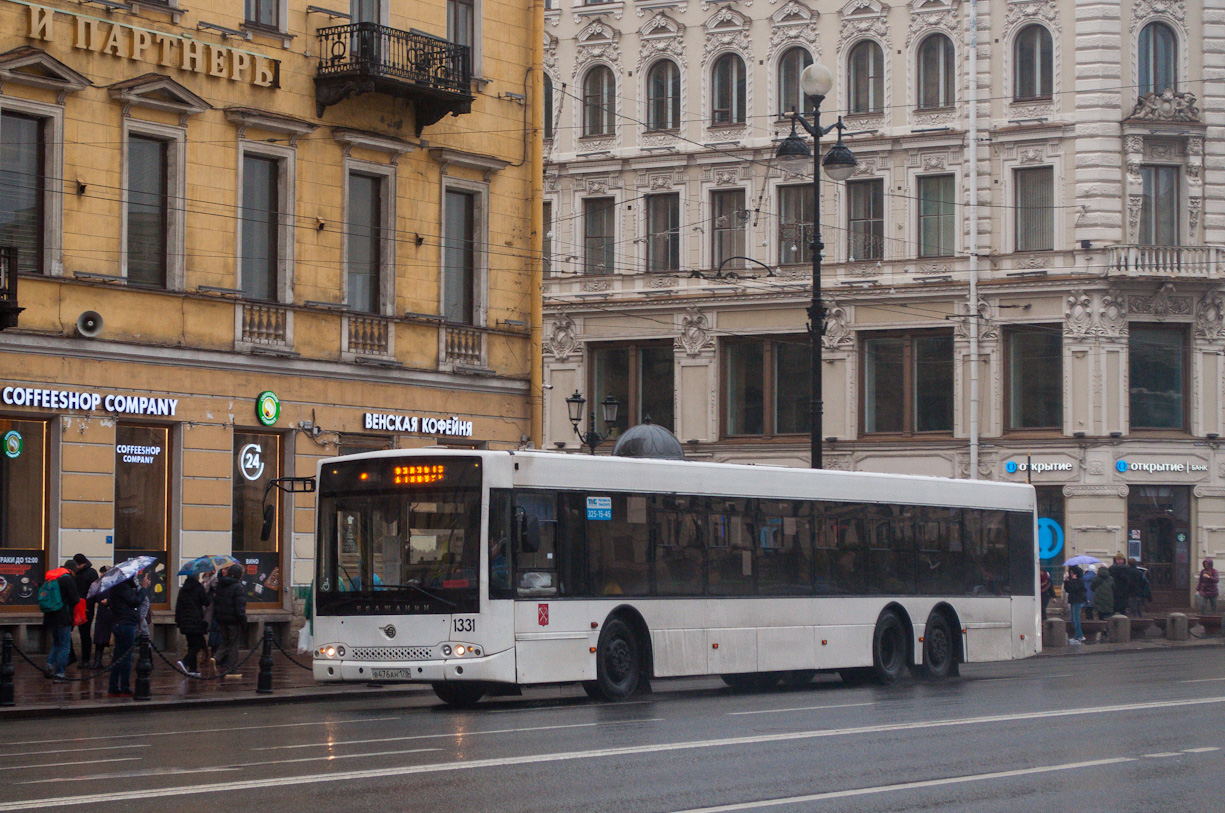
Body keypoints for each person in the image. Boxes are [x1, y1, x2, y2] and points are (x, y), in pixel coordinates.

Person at [40, 560, 80, 681]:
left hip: (50, 616)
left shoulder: (51, 577)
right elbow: (74, 599)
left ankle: (49, 665)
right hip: (63, 617)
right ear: (72, 570)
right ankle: (59, 673)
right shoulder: (67, 579)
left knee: (56, 644)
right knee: (64, 646)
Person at [107, 574, 145, 698]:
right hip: (125, 624)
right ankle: (124, 687)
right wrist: (143, 589)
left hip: (118, 623)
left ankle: (113, 687)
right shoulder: (122, 587)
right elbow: (135, 602)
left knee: (118, 656)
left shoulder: (117, 586)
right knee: (126, 657)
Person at [212, 564, 247, 676]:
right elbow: (240, 608)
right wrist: (243, 622)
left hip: (222, 620)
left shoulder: (221, 585)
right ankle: (231, 669)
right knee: (233, 645)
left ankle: (215, 658)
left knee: (226, 641)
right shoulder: (238, 587)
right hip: (234, 621)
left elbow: (217, 603)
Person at [174, 573, 211, 677]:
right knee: (198, 644)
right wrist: (208, 592)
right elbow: (206, 602)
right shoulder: (199, 588)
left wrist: (178, 621)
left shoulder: (183, 589)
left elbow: (178, 606)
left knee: (191, 645)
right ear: (196, 577)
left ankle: (193, 670)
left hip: (184, 621)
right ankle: (185, 661)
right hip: (195, 621)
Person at [69, 554, 98, 668]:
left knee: (85, 634)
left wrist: (89, 605)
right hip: (74, 606)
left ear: (83, 564)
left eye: (79, 565)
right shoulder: (75, 573)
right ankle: (72, 655)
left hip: (86, 607)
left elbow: (94, 591)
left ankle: (85, 659)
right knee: (67, 631)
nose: (77, 567)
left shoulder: (91, 573)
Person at [90, 566, 114, 669]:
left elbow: (118, 597)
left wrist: (109, 601)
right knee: (100, 638)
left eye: (104, 573)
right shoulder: (99, 584)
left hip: (112, 613)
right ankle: (98, 660)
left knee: (111, 639)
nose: (102, 575)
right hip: (102, 612)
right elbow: (95, 597)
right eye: (102, 573)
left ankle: (113, 662)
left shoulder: (115, 584)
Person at [1064, 565, 1087, 644]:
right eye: (1070, 572)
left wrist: (1073, 581)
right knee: (1072, 619)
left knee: (1076, 619)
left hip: (1078, 600)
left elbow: (1076, 588)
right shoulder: (1072, 580)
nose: (1071, 574)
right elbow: (1068, 590)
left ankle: (1078, 636)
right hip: (1072, 600)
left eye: (1072, 573)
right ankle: (1079, 635)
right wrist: (1066, 581)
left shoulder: (1080, 580)